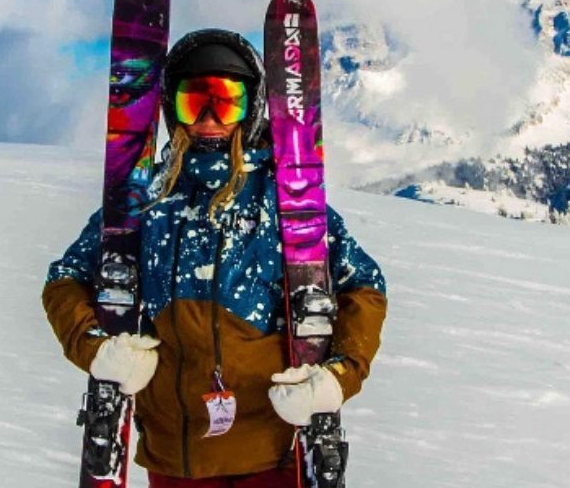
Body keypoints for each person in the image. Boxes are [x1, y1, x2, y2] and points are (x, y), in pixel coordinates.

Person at [43, 28, 387, 487]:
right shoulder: (145, 201)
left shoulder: (286, 201)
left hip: (275, 453)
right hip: (175, 456)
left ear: (251, 109)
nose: (208, 118)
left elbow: (363, 286)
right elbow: (66, 279)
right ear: (171, 110)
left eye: (225, 100)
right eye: (193, 101)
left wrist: (337, 377)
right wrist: (97, 350)